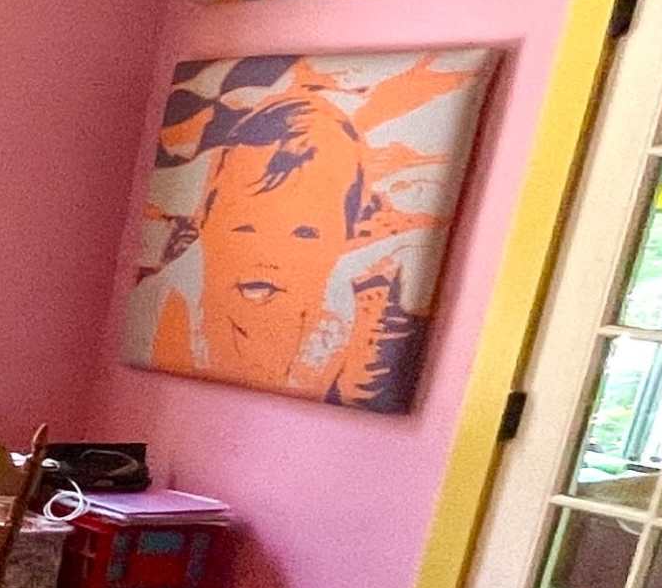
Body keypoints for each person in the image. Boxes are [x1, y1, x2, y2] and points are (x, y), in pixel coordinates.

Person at [128, 53, 479, 409]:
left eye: (305, 234)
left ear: (345, 237)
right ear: (206, 221)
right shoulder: (162, 310)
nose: (268, 256)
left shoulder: (358, 337)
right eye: (244, 227)